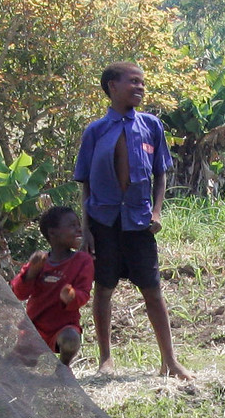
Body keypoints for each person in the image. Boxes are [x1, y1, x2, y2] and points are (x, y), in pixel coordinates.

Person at [73, 62, 191, 379]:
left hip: (139, 222)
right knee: (104, 288)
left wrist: (157, 211)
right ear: (112, 86)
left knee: (153, 289)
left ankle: (170, 361)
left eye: (142, 83)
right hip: (104, 221)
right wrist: (86, 229)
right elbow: (85, 183)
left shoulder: (151, 126)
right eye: (133, 82)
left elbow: (160, 174)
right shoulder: (95, 131)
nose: (139, 87)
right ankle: (106, 360)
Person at [11, 205, 94, 365]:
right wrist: (31, 273)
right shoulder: (40, 261)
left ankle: (63, 369)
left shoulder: (83, 261)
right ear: (53, 233)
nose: (78, 230)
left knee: (71, 339)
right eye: (72, 226)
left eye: (78, 225)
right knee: (17, 367)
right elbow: (18, 293)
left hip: (63, 327)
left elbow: (84, 293)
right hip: (34, 328)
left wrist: (71, 297)